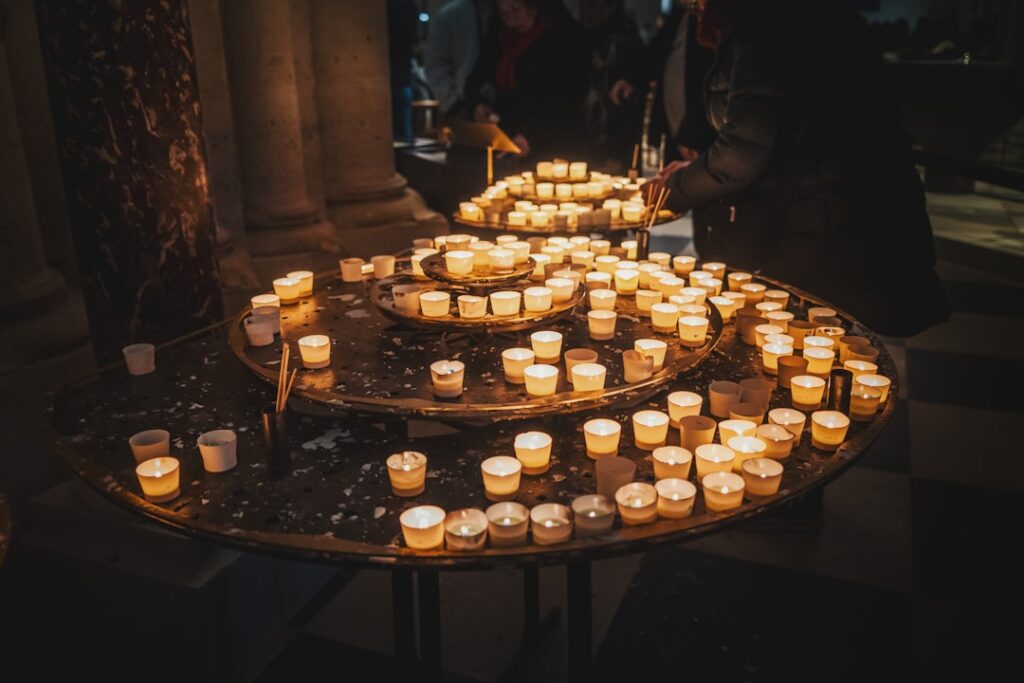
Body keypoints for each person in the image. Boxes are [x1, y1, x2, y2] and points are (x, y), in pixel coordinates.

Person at [651, 0, 949, 337]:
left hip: (829, 224)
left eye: (700, 6)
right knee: (816, 337)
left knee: (816, 336)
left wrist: (672, 188)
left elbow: (743, 151)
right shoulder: (795, 16)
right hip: (835, 213)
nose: (700, 25)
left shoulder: (768, 23)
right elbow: (768, 137)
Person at [463, 0, 590, 160]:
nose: (511, 21)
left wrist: (529, 133)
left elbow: (568, 95)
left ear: (534, 7)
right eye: (504, 14)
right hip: (509, 138)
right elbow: (477, 77)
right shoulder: (499, 33)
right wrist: (478, 105)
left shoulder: (564, 34)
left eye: (516, 10)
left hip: (554, 139)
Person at [609, 1, 716, 165]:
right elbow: (657, 50)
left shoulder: (713, 18)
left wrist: (693, 131)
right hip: (673, 132)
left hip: (701, 135)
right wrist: (631, 79)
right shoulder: (681, 14)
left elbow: (712, 78)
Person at [579, 0, 645, 171]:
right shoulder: (582, 36)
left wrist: (617, 152)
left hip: (613, 139)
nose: (587, 12)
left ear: (610, 6)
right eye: (584, 5)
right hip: (586, 136)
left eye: (593, 5)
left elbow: (629, 107)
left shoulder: (624, 41)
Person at [424, 0, 493, 117]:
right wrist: (455, 104)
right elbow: (435, 66)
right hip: (463, 105)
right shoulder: (451, 14)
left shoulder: (504, 10)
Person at [388, 0, 420, 140]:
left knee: (401, 139)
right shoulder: (407, 6)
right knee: (403, 140)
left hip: (397, 79)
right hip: (401, 79)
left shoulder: (396, 7)